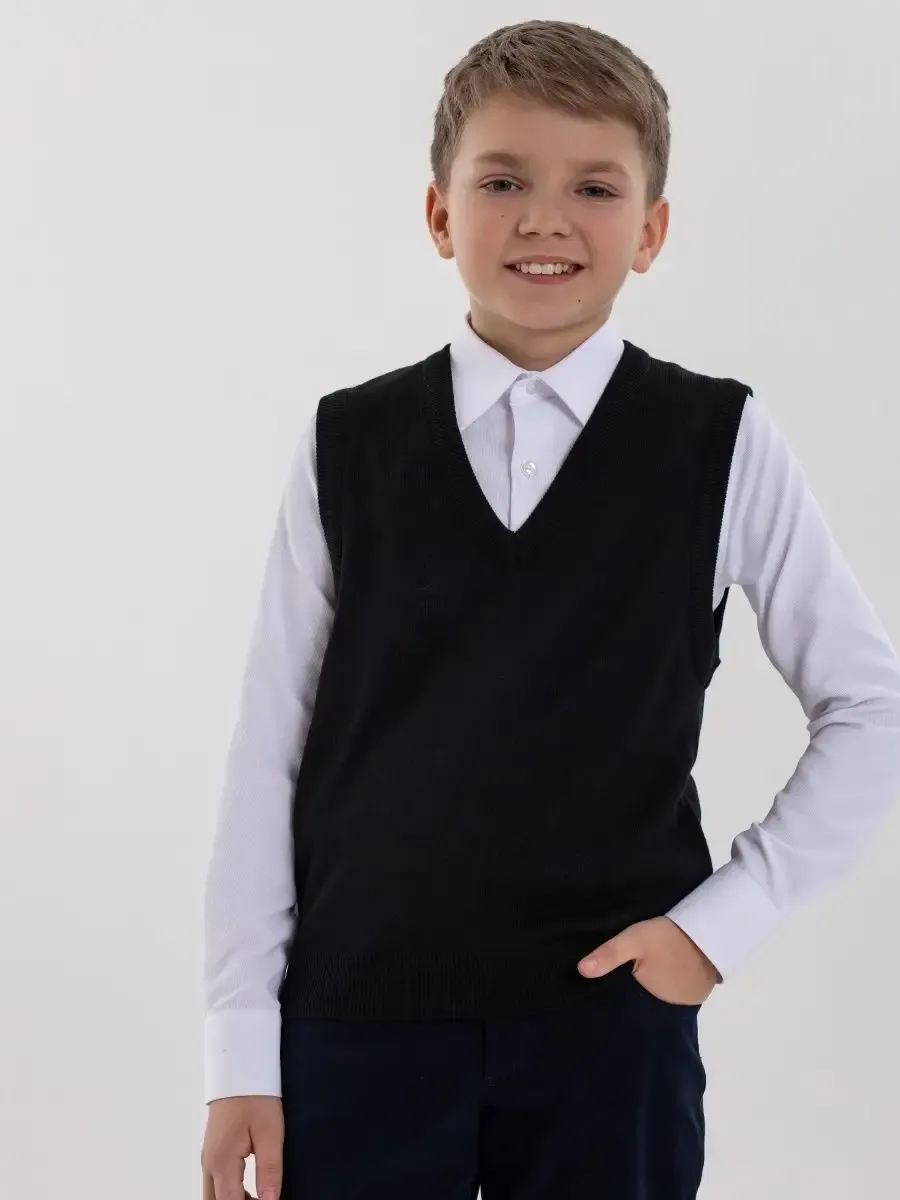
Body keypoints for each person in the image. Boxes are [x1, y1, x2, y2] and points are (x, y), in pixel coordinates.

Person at [200, 19, 900, 1200]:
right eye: (503, 182)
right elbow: (271, 749)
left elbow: (870, 707)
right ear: (440, 215)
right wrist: (237, 1048)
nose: (544, 220)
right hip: (356, 1028)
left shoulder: (718, 441)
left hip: (608, 1036)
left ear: (651, 230)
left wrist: (719, 927)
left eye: (594, 187)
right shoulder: (348, 444)